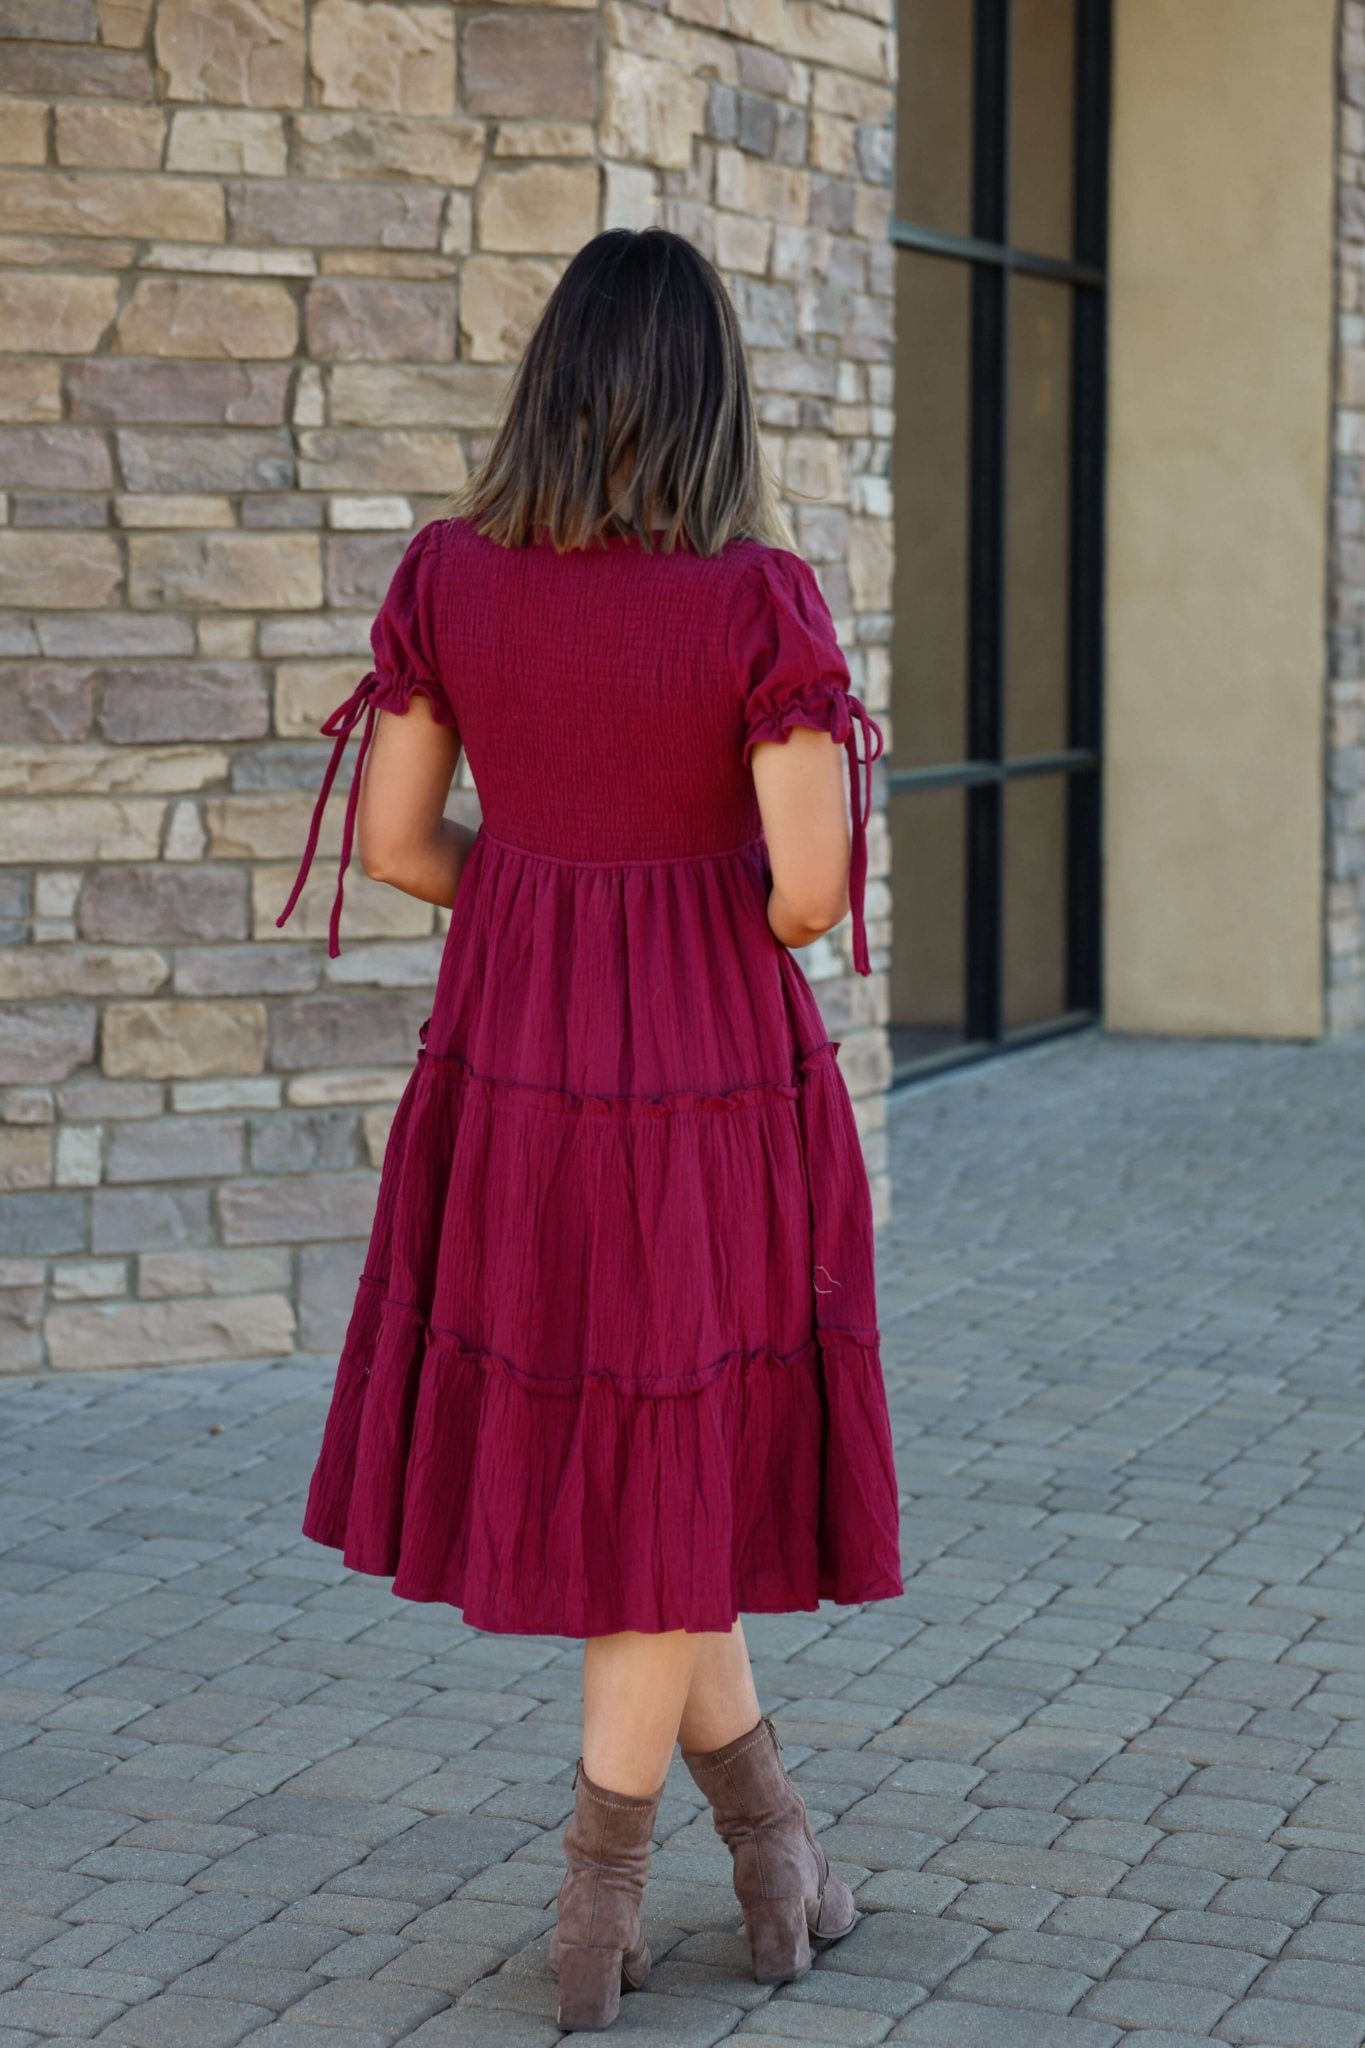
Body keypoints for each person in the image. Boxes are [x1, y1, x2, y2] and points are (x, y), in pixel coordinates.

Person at [276, 225, 904, 2031]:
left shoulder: (451, 578)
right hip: (705, 1080)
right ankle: (596, 1896)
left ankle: (776, 1849)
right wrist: (667, 891)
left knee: (648, 1470)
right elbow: (802, 895)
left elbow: (399, 846)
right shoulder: (753, 600)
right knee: (669, 1463)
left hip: (516, 1065)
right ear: (710, 395)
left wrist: (544, 897)